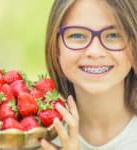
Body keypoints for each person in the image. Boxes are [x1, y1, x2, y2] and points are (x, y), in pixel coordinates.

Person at [40, 0, 137, 149]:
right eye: (77, 35)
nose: (95, 52)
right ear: (56, 47)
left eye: (113, 35)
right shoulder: (36, 136)